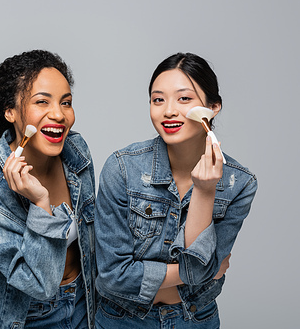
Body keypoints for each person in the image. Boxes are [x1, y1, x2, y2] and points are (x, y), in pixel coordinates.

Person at [94, 53, 257, 328]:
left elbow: (199, 268)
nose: (169, 111)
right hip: (121, 319)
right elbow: (113, 275)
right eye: (158, 100)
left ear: (213, 106)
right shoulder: (122, 168)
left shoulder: (238, 184)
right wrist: (201, 271)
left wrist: (205, 191)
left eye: (184, 99)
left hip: (195, 318)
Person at [0, 50, 96, 328]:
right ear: (10, 111)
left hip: (87, 305)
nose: (59, 115)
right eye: (42, 102)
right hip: (28, 318)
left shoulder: (76, 151)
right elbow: (39, 284)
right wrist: (40, 202)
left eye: (66, 102)